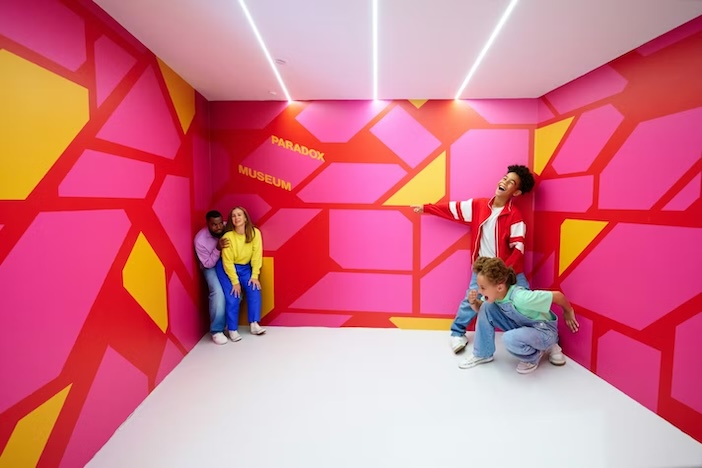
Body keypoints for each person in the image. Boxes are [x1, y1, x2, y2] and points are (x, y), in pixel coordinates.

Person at [412, 164, 535, 353]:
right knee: (471, 298)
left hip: (509, 270)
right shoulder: (479, 206)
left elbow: (518, 248)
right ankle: (457, 333)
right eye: (505, 178)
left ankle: (544, 337)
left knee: (527, 301)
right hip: (483, 268)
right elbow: (453, 209)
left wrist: (505, 273)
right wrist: (427, 208)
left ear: (516, 192)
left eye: (511, 182)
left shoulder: (515, 215)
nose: (505, 181)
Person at [458, 257, 579, 373]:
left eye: (483, 288)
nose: (479, 291)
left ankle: (535, 355)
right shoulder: (496, 296)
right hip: (523, 327)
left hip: (544, 331)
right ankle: (483, 353)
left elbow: (558, 296)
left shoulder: (521, 297)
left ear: (499, 287)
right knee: (486, 307)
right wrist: (473, 303)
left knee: (508, 339)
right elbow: (481, 310)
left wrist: (568, 311)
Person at [215, 206, 266, 341]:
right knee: (234, 296)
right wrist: (235, 282)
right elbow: (227, 262)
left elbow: (257, 256)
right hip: (227, 269)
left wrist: (255, 275)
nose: (236, 218)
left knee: (254, 288)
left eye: (239, 215)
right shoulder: (228, 237)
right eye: (233, 216)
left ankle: (254, 324)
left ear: (245, 218)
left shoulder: (255, 233)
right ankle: (232, 329)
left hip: (245, 268)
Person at [194, 210, 230, 345]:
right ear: (207, 224)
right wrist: (217, 249)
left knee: (233, 289)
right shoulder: (200, 240)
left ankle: (228, 323)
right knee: (218, 292)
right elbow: (208, 264)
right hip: (210, 266)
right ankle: (216, 330)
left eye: (220, 223)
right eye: (215, 225)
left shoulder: (227, 227)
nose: (219, 227)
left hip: (227, 263)